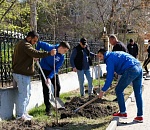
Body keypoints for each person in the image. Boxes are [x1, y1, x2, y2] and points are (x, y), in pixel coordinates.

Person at [12, 31, 56, 121]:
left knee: (27, 94)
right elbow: (35, 52)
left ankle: (23, 113)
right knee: (24, 95)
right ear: (29, 38)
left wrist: (32, 56)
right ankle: (20, 115)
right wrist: (48, 53)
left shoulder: (22, 43)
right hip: (21, 74)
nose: (35, 43)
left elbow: (27, 55)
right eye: (34, 41)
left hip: (22, 73)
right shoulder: (25, 45)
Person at [97, 49, 143, 123]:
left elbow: (109, 77)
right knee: (138, 92)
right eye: (98, 56)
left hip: (131, 69)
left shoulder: (109, 59)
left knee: (118, 90)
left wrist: (103, 90)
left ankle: (123, 112)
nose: (100, 58)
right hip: (139, 67)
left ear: (104, 54)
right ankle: (140, 116)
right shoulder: (114, 54)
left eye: (100, 56)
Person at [36, 41, 70, 116]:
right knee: (46, 89)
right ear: (60, 47)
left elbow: (56, 69)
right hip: (44, 69)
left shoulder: (62, 57)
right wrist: (37, 55)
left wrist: (49, 77)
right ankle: (48, 109)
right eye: (64, 51)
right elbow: (39, 43)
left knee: (57, 86)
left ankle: (56, 104)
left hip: (53, 71)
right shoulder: (50, 48)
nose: (65, 53)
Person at [109, 34, 127, 101]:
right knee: (122, 81)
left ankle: (120, 97)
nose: (110, 43)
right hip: (125, 66)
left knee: (121, 83)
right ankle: (120, 96)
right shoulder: (121, 44)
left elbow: (116, 59)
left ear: (113, 39)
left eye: (110, 41)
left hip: (122, 67)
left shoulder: (117, 46)